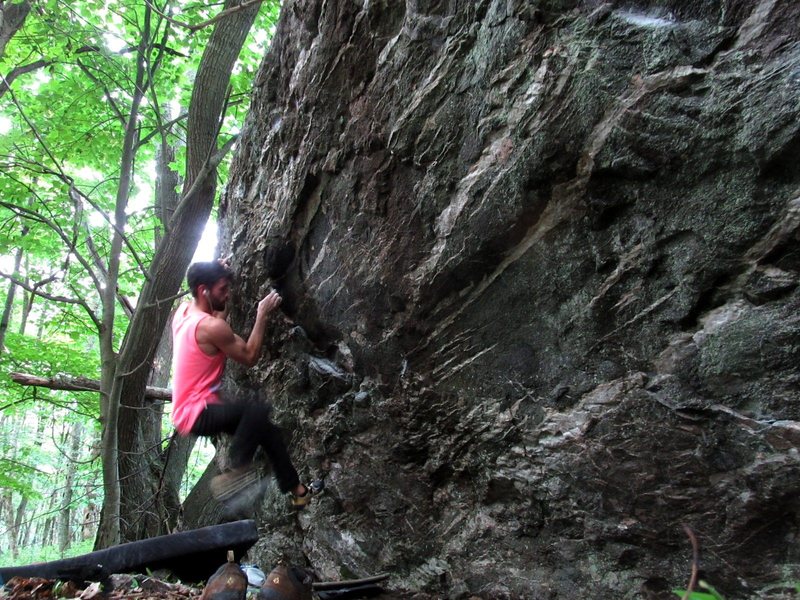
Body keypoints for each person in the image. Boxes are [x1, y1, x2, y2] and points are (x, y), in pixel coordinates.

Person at [170, 260, 319, 509]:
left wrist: (216, 268)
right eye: (222, 289)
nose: (227, 293)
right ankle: (237, 470)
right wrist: (262, 313)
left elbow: (215, 316)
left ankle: (299, 491)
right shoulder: (211, 327)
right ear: (203, 290)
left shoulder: (184, 312)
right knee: (256, 409)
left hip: (189, 410)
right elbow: (249, 356)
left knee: (266, 430)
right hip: (197, 413)